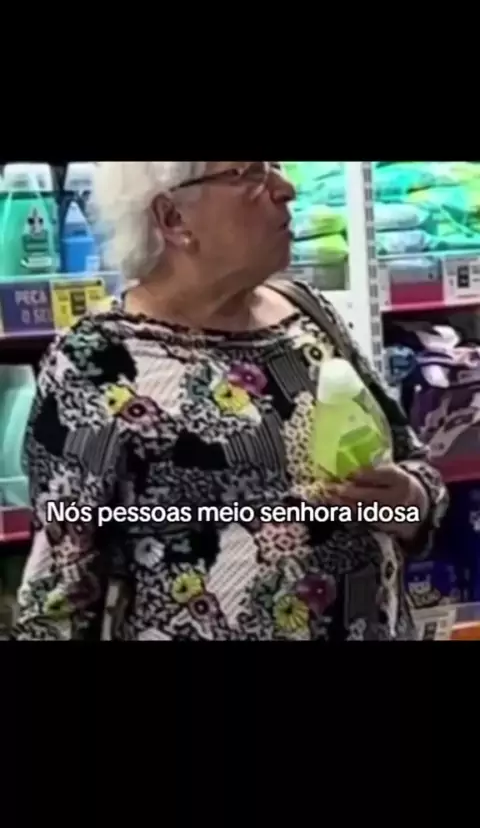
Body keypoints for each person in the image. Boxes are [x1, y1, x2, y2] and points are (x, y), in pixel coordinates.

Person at [13, 161, 448, 641]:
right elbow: (60, 592)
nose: (285, 188)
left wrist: (409, 499)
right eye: (250, 174)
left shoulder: (308, 313)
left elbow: (414, 468)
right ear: (173, 218)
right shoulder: (97, 359)